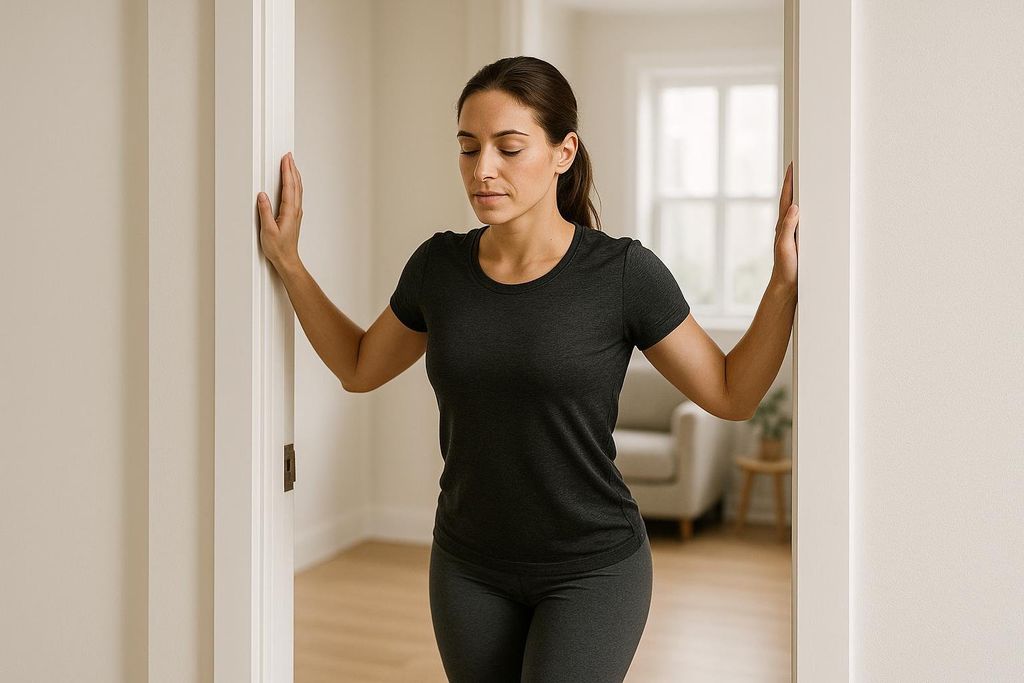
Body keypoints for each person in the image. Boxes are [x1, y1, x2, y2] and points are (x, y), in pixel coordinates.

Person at [256, 55, 799, 683]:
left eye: (509, 148)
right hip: (467, 567)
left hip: (592, 568)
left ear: (563, 152)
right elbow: (357, 367)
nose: (483, 169)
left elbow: (731, 394)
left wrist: (782, 284)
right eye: (468, 148)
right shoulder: (439, 268)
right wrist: (289, 264)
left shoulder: (622, 275)